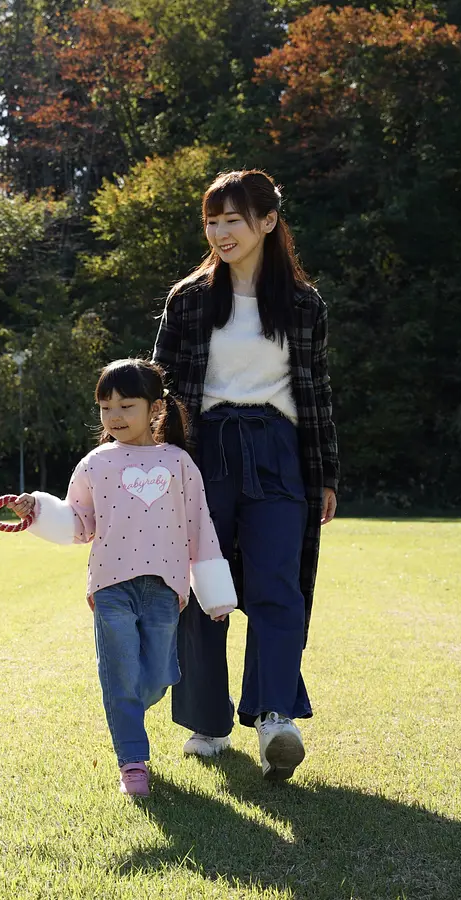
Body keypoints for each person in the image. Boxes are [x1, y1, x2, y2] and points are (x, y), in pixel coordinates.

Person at [151, 169, 339, 781]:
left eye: (234, 219)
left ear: (267, 222)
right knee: (205, 588)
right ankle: (208, 720)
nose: (221, 231)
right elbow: (162, 388)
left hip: (281, 451)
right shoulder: (189, 298)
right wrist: (153, 464)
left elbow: (317, 394)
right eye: (213, 219)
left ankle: (274, 717)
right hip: (205, 451)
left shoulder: (304, 304)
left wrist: (326, 474)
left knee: (278, 586)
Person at [11, 359, 236, 797]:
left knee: (154, 676)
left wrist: (214, 595)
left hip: (165, 590)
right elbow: (80, 523)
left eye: (126, 405)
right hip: (111, 585)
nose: (114, 416)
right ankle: (132, 760)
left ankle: (128, 706)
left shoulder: (178, 463)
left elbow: (199, 526)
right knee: (118, 675)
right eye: (105, 406)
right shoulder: (95, 464)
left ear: (154, 409)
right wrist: (38, 510)